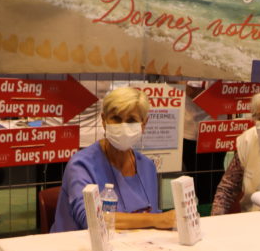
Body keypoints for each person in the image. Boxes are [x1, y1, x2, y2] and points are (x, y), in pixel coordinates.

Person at [52, 86, 174, 232]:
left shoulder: (147, 166)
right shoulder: (81, 165)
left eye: (131, 120)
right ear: (104, 120)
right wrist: (157, 220)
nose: (123, 126)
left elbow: (152, 213)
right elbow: (91, 220)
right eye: (116, 118)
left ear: (144, 124)